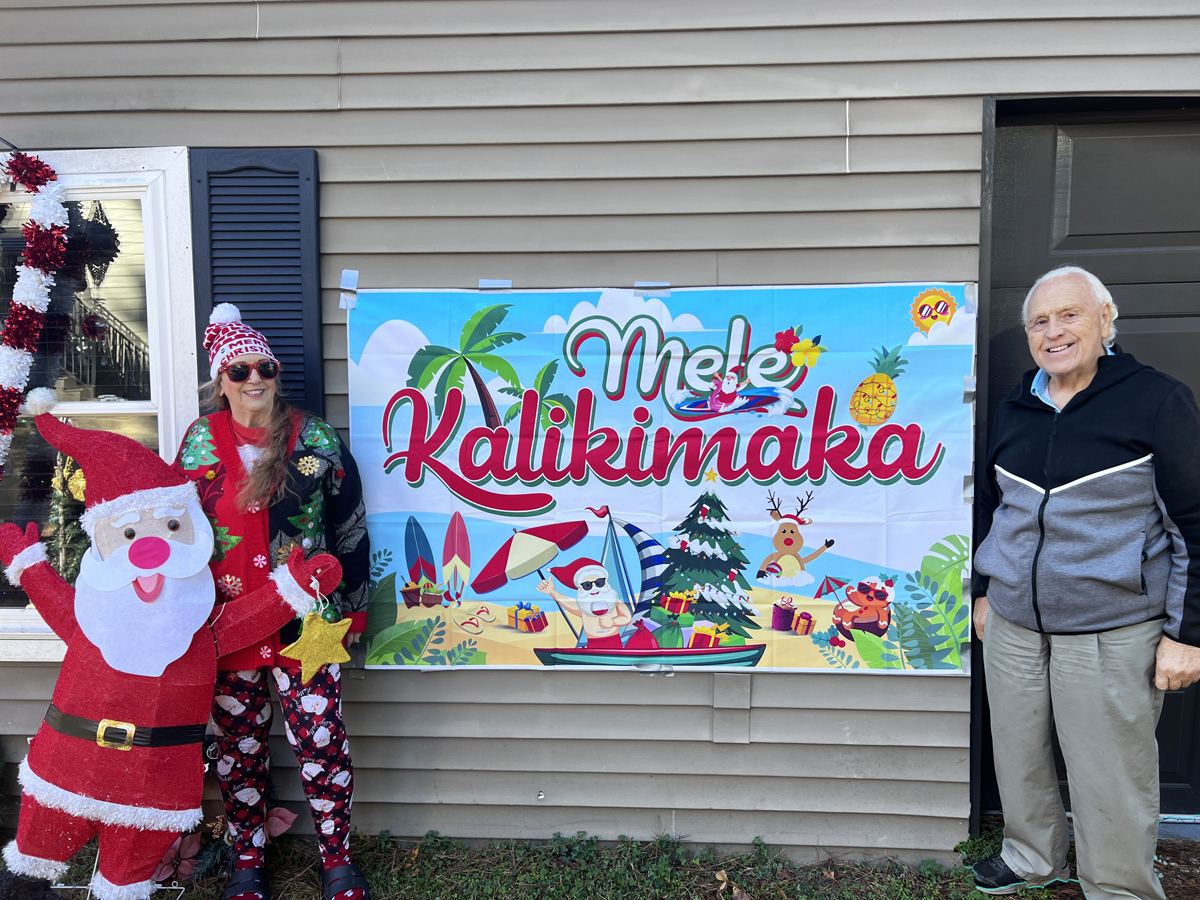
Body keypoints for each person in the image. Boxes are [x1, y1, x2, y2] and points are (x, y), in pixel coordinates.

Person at [0, 391, 337, 900]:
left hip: (152, 790)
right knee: (31, 865)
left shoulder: (197, 627)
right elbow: (56, 602)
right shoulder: (94, 617)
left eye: (170, 528)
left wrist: (293, 589)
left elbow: (242, 620)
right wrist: (29, 566)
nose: (152, 547)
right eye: (132, 532)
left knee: (126, 878)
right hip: (63, 773)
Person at [971, 266, 1200, 898]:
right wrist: (985, 592)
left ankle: (1118, 887)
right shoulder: (1018, 404)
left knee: (1109, 774)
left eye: (1069, 315)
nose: (1054, 332)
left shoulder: (1156, 400)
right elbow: (994, 508)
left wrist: (1188, 634)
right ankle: (1030, 856)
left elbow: (1195, 523)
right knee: (1018, 756)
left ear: (1105, 320)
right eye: (1040, 322)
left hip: (1110, 630)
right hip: (1015, 624)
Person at [173, 304, 371, 900]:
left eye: (265, 366)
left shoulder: (315, 437)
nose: (255, 378)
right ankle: (247, 861)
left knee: (321, 740)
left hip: (306, 623)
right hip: (228, 626)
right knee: (239, 749)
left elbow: (351, 524)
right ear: (221, 382)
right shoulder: (198, 443)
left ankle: (336, 858)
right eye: (239, 371)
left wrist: (355, 606)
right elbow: (176, 532)